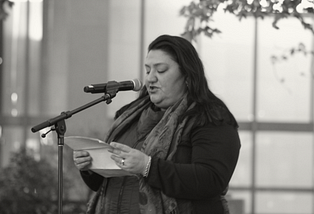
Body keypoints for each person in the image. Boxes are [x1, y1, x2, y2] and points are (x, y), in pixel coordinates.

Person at [73, 34, 241, 214]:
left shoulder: (210, 117)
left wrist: (147, 166)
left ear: (187, 74)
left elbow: (211, 180)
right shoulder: (128, 116)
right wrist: (90, 166)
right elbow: (105, 183)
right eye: (147, 71)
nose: (150, 79)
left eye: (160, 71)